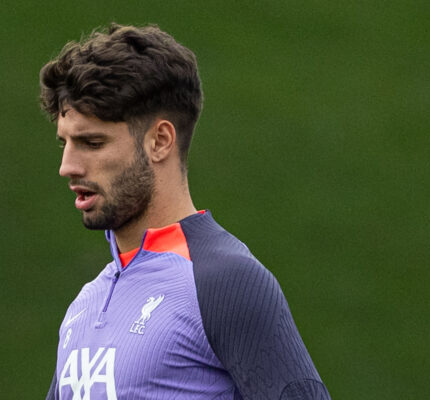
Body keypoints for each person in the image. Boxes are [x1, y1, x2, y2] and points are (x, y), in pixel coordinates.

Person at [39, 23, 330, 400]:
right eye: (65, 143)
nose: (68, 166)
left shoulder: (225, 282)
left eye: (91, 143)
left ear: (160, 141)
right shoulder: (86, 303)